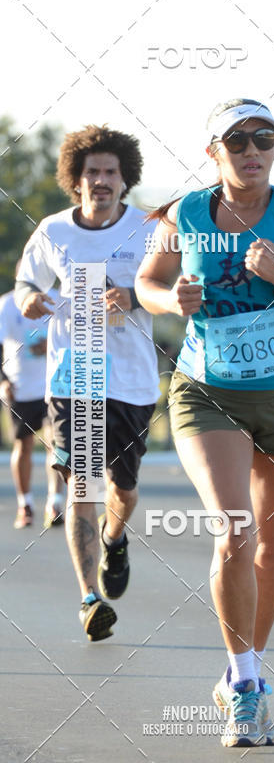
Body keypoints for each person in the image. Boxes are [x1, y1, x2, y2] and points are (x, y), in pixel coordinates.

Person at [136, 98, 274, 746]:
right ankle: (247, 686)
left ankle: (243, 669)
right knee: (234, 531)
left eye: (265, 138)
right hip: (208, 395)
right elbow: (147, 284)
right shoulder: (186, 214)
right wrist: (169, 298)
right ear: (213, 152)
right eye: (237, 141)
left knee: (270, 550)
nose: (252, 149)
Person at [15, 125, 160, 642]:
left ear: (125, 180)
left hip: (133, 381)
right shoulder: (53, 231)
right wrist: (30, 297)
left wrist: (135, 298)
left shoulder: (148, 230)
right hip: (74, 374)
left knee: (122, 488)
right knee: (83, 483)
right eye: (90, 172)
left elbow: (174, 288)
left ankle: (115, 539)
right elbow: (26, 281)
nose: (100, 181)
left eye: (109, 173)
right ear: (75, 179)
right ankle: (89, 599)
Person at [0, 263, 63, 529]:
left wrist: (54, 343)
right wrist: (2, 381)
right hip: (21, 386)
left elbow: (78, 338)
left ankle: (56, 502)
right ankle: (25, 504)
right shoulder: (6, 305)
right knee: (23, 446)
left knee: (57, 445)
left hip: (55, 385)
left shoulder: (59, 299)